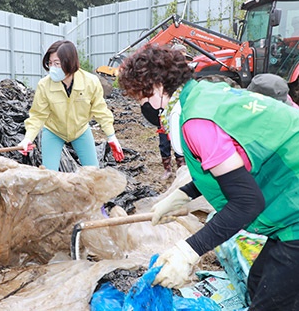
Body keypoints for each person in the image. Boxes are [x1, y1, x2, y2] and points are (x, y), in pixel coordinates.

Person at [118, 44, 299, 310]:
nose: (142, 106)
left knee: (270, 302)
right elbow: (232, 167)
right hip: (288, 192)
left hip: (292, 205)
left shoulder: (196, 122)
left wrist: (188, 251)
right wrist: (184, 194)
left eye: (140, 98)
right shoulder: (202, 93)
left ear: (156, 88)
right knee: (260, 281)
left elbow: (247, 203)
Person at [18, 40, 124, 170]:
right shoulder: (44, 85)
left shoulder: (90, 82)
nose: (52, 68)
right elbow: (38, 115)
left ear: (70, 62)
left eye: (57, 64)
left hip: (80, 130)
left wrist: (111, 136)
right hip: (54, 131)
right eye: (50, 63)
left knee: (93, 173)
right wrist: (28, 138)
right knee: (49, 175)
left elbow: (101, 111)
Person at [140, 43, 187, 180]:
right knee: (164, 142)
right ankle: (167, 169)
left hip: (181, 112)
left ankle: (182, 167)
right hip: (165, 112)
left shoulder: (187, 73)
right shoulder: (164, 73)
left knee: (180, 140)